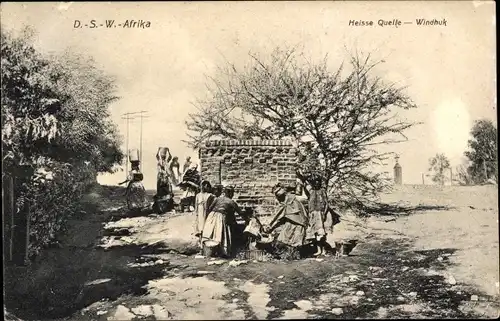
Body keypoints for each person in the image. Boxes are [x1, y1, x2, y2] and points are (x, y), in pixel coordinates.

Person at [263, 183, 309, 260]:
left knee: (294, 243)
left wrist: (269, 225)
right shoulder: (291, 200)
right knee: (285, 240)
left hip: (298, 224)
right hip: (293, 223)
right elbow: (280, 218)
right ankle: (289, 257)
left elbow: (277, 216)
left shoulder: (288, 203)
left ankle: (294, 258)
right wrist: (271, 227)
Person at [202, 186, 248, 258]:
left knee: (212, 236)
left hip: (211, 217)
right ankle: (222, 252)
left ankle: (211, 252)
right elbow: (240, 213)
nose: (232, 195)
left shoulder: (217, 199)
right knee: (221, 234)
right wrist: (247, 220)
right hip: (221, 217)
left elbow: (210, 208)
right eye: (232, 193)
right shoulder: (231, 202)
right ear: (229, 193)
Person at [303, 172, 329, 256]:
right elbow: (305, 186)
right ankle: (318, 250)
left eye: (318, 183)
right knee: (315, 233)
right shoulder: (311, 192)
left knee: (321, 233)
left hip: (320, 214)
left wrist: (324, 213)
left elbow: (326, 204)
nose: (317, 184)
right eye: (315, 183)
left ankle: (324, 250)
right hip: (313, 214)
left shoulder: (322, 191)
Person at [194, 180, 216, 252]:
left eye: (205, 185)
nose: (203, 187)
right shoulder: (198, 195)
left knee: (206, 228)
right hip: (200, 214)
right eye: (202, 185)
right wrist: (196, 214)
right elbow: (196, 206)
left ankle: (206, 245)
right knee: (200, 229)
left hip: (207, 213)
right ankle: (201, 245)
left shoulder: (210, 196)